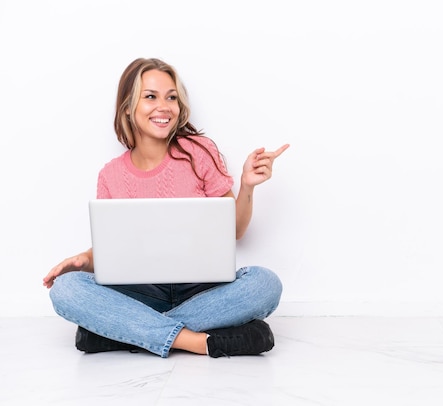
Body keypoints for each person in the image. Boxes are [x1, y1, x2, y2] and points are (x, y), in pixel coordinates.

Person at [42, 57, 289, 358]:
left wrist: (247, 186)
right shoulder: (110, 175)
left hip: (202, 290)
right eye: (150, 97)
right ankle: (197, 341)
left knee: (265, 284)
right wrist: (84, 259)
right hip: (144, 293)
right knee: (66, 289)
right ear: (128, 108)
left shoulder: (200, 153)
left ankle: (122, 335)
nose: (165, 106)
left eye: (171, 97)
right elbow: (112, 251)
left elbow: (234, 232)